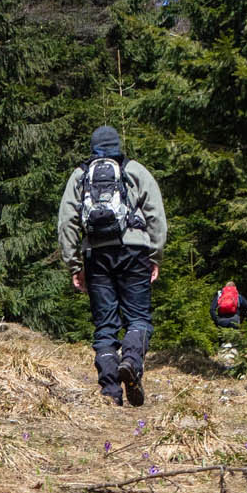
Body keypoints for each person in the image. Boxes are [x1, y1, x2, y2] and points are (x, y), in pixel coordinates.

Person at [58, 125, 167, 406]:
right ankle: (131, 360)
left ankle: (110, 392)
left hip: (96, 253)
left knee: (105, 326)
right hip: (135, 251)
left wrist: (73, 264)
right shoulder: (135, 170)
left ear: (93, 147)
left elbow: (66, 222)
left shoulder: (80, 175)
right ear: (118, 145)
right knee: (139, 318)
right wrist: (155, 255)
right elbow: (156, 215)